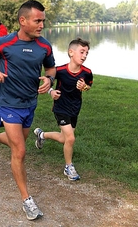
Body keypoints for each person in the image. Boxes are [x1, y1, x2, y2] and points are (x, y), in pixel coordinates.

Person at [0, 0, 56, 221]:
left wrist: (49, 79)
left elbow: (51, 67)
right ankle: (27, 200)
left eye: (43, 21)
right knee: (19, 151)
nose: (41, 25)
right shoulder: (4, 43)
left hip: (30, 103)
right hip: (8, 102)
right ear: (23, 20)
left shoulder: (44, 46)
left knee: (16, 141)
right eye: (37, 21)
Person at [33, 38, 93, 181]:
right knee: (71, 138)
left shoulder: (87, 72)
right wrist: (51, 92)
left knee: (63, 138)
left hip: (75, 109)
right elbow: (47, 83)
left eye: (87, 53)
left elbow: (89, 86)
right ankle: (69, 167)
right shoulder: (59, 71)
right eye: (82, 52)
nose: (84, 56)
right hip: (60, 107)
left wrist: (84, 87)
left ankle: (42, 135)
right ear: (71, 52)